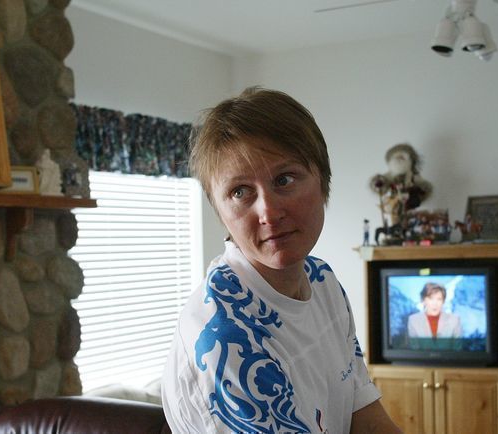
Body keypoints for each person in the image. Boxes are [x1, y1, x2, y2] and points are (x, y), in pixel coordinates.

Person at [162, 87, 401, 434]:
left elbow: (364, 416)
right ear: (220, 212)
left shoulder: (322, 280)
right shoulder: (226, 336)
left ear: (322, 181)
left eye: (284, 180)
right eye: (240, 192)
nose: (269, 213)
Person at [407, 283, 462, 350]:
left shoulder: (455, 320)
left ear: (443, 301)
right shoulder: (413, 320)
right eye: (431, 298)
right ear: (423, 300)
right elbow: (414, 351)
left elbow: (458, 351)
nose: (435, 303)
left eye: (439, 299)